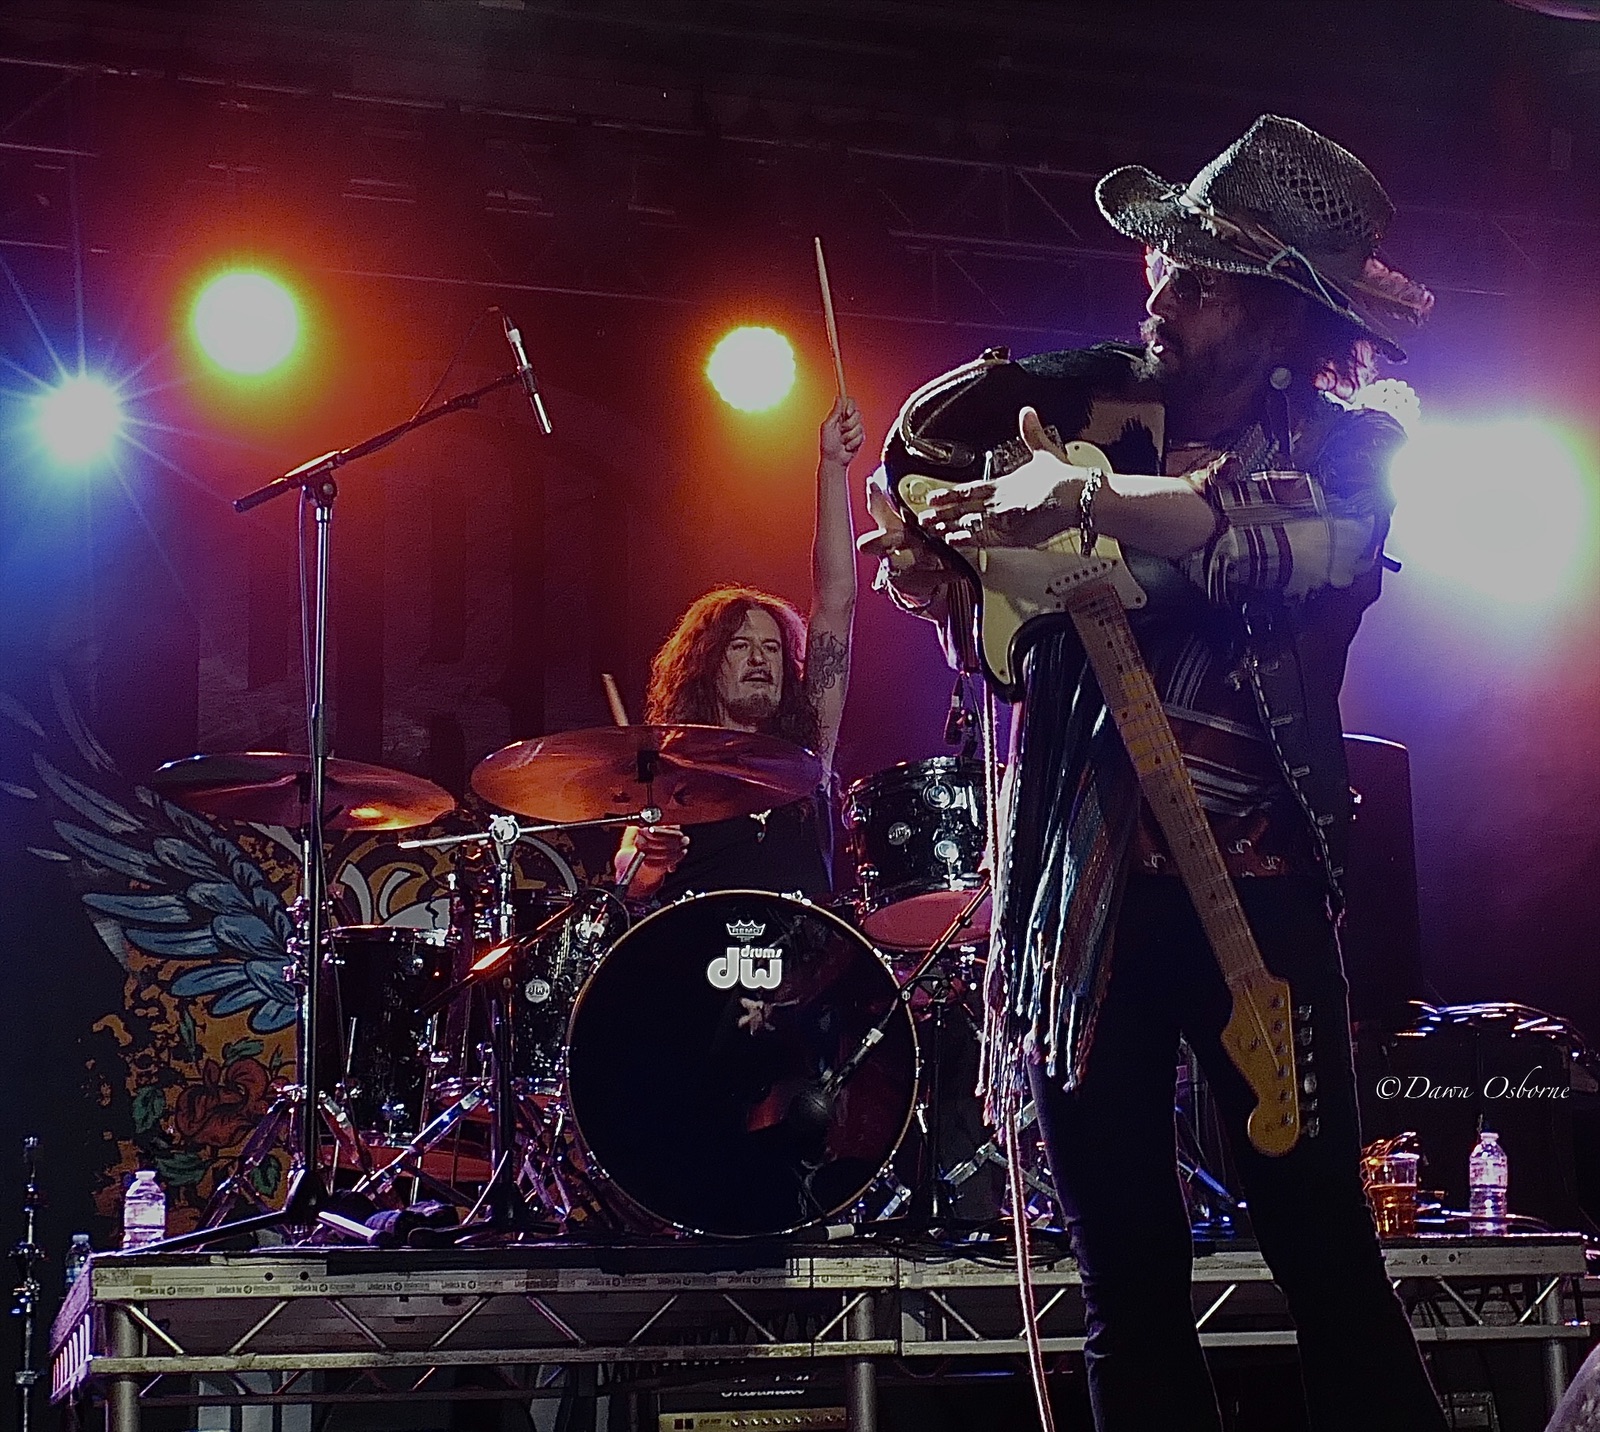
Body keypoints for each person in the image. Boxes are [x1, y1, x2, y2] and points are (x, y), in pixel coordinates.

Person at [862, 116, 1447, 1431]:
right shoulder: (1096, 410)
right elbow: (934, 467)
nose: (1161, 299)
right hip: (1088, 904)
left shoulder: (1350, 451)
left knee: (1325, 1254)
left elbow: (1270, 549)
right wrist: (953, 555)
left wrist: (1068, 514)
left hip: (1259, 899)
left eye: (1198, 284)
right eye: (1163, 273)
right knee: (1126, 1281)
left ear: (1276, 315)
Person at [613, 396, 865, 901]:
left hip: (801, 948)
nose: (759, 658)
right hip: (698, 947)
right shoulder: (673, 763)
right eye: (740, 646)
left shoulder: (808, 750)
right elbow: (628, 876)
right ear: (706, 664)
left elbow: (836, 599)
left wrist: (832, 468)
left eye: (772, 648)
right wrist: (649, 854)